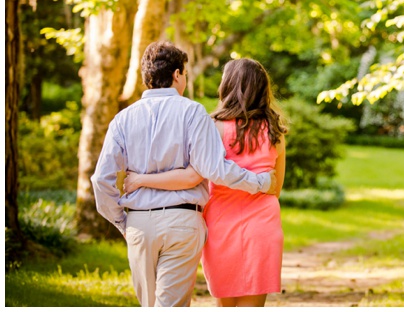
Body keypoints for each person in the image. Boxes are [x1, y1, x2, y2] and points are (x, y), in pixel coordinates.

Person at [91, 42, 277, 307]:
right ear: (177, 74)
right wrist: (260, 182)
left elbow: (101, 180)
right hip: (183, 219)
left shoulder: (123, 119)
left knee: (149, 305)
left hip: (138, 223)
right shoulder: (193, 112)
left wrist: (121, 221)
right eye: (185, 74)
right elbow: (213, 168)